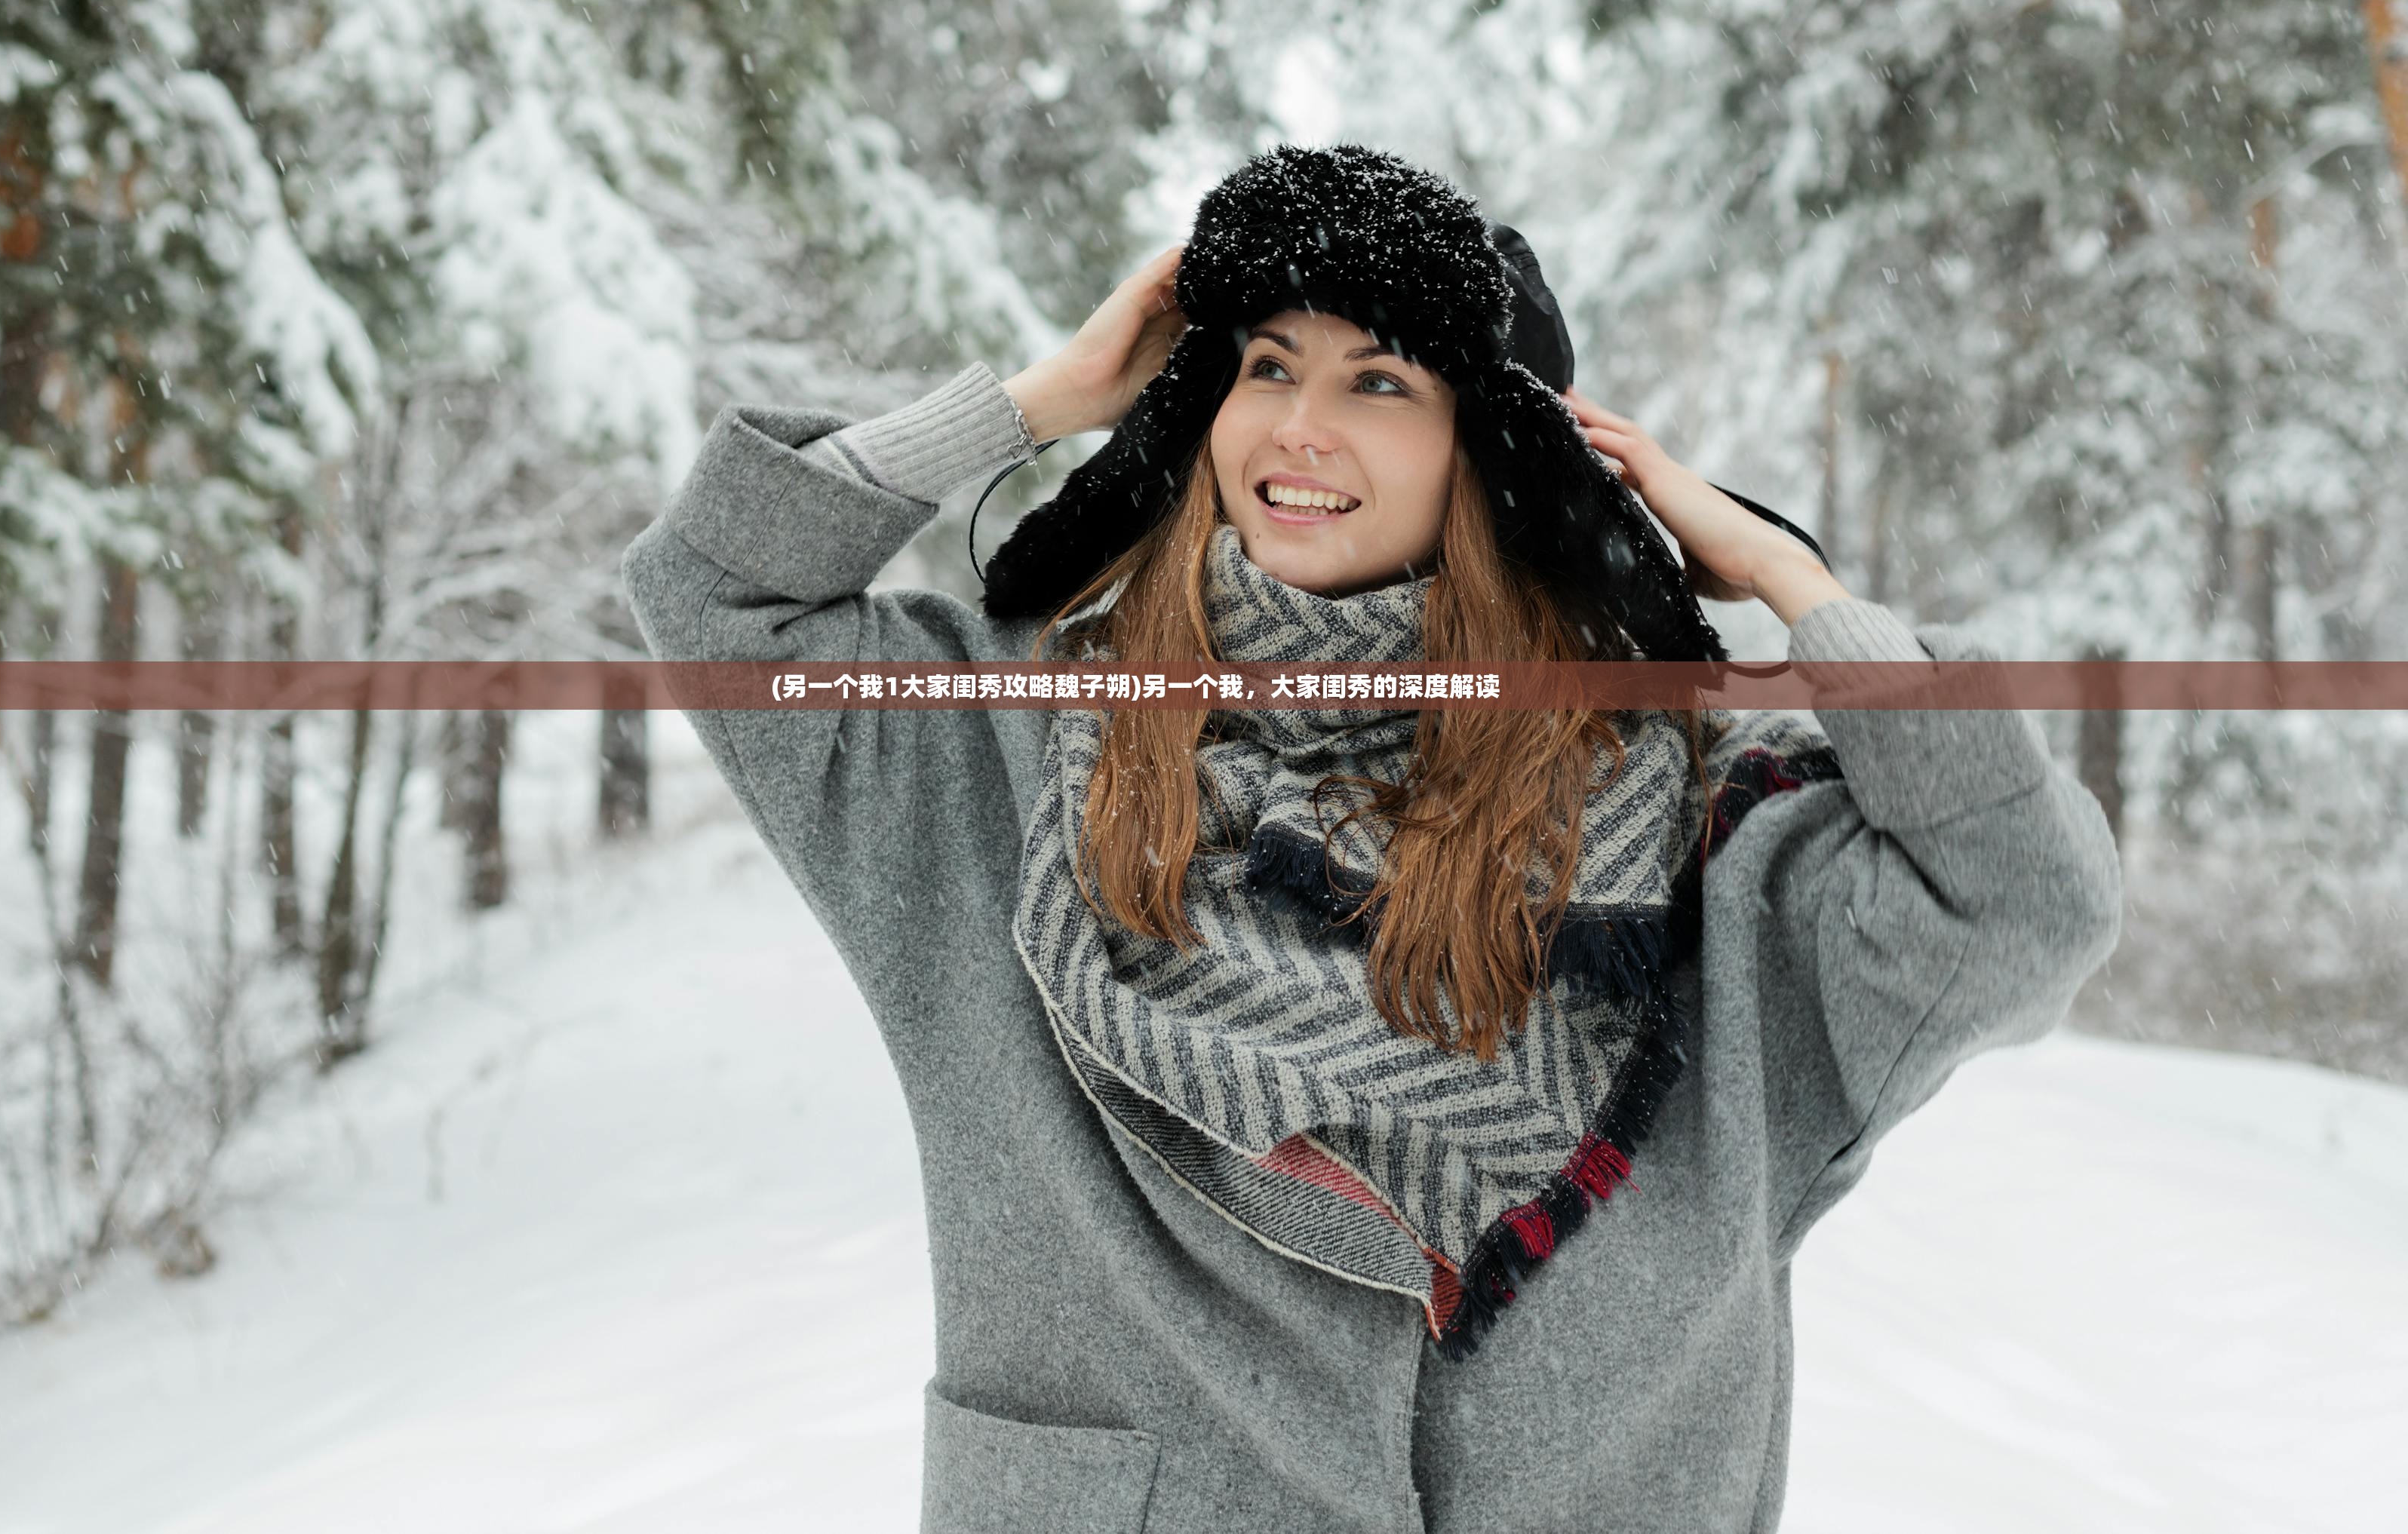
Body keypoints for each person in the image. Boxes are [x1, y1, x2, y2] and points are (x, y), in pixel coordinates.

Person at [620, 143, 2123, 1533]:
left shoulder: (1710, 841)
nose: (1297, 424)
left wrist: (1798, 587)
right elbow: (720, 598)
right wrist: (1034, 401)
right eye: (1264, 365)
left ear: (1502, 457)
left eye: (1380, 379)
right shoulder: (1004, 753)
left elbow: (2022, 905)